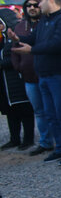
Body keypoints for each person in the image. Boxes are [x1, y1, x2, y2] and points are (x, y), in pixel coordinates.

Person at [11, 0, 61, 166]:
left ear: (51, 0)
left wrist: (31, 50)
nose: (38, 5)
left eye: (40, 1)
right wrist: (16, 37)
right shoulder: (44, 20)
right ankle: (60, 148)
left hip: (58, 75)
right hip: (43, 76)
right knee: (50, 115)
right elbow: (33, 38)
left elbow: (57, 45)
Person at [12, 0, 53, 155]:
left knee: (53, 109)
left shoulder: (47, 24)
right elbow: (14, 50)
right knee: (39, 112)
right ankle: (45, 142)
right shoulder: (20, 26)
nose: (32, 8)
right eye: (28, 5)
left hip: (47, 75)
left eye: (35, 5)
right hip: (29, 78)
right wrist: (19, 66)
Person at [0, 9, 34, 151]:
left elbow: (19, 56)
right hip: (5, 83)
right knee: (11, 111)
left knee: (24, 110)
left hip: (17, 80)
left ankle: (28, 139)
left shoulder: (17, 36)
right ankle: (14, 139)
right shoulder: (2, 38)